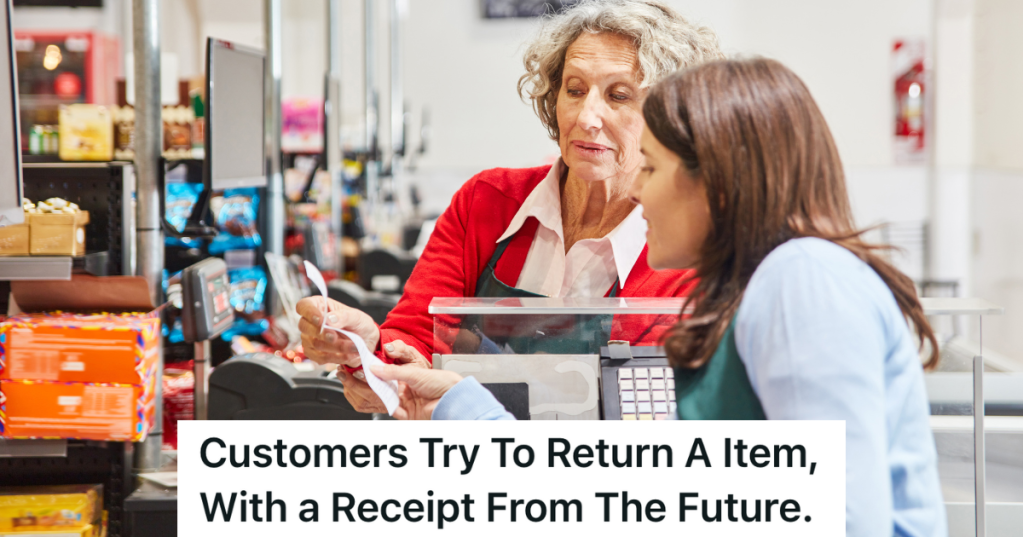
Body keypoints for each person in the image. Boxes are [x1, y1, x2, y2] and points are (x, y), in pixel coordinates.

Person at [372, 58, 947, 537]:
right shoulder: (754, 294)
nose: (639, 192)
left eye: (651, 167)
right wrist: (461, 405)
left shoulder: (802, 280)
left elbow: (840, 520)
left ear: (717, 182)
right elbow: (640, 493)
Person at [297, 0, 723, 413]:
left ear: (670, 119)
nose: (586, 117)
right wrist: (367, 349)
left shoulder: (686, 252)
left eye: (619, 95)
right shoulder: (486, 202)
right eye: (574, 90)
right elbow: (415, 339)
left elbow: (652, 417)